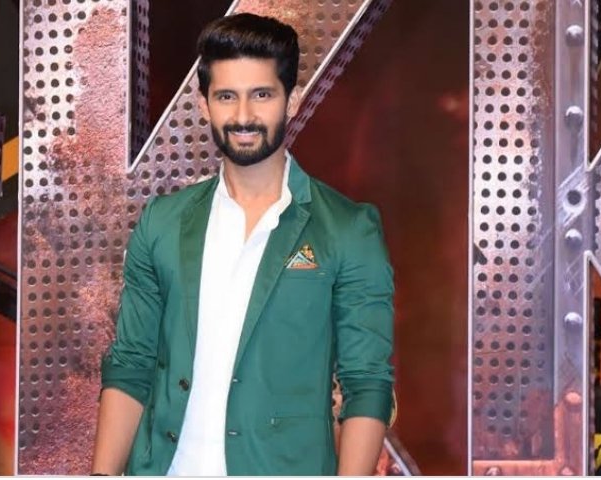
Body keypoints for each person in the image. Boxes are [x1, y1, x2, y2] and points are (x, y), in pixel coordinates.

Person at [91, 12, 395, 476]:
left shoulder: (348, 230)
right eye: (227, 96)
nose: (244, 116)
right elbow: (130, 364)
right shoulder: (163, 222)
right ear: (204, 105)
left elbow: (366, 382)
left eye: (262, 95)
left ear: (291, 100)